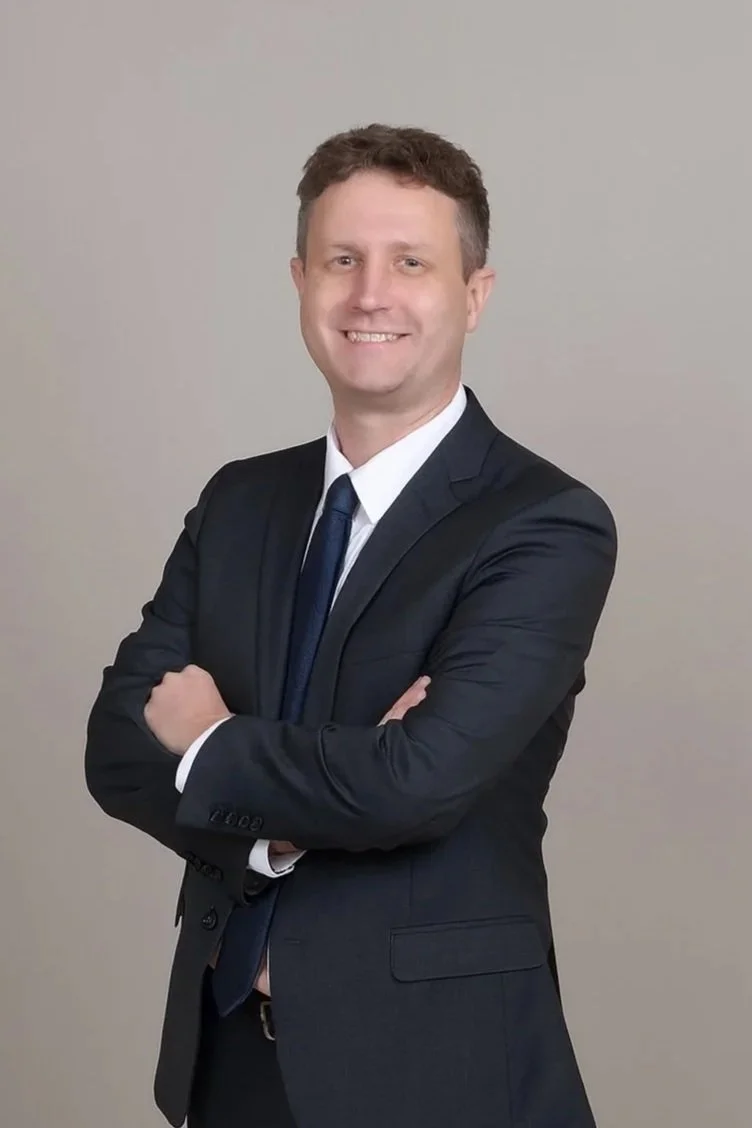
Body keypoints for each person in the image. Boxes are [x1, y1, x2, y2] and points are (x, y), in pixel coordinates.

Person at [85, 122, 618, 1128]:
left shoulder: (542, 523)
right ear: (300, 280)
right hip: (230, 1053)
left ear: (473, 293)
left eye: (409, 262)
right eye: (341, 260)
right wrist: (292, 814)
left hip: (432, 1070)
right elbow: (115, 748)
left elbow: (415, 783)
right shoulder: (239, 502)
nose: (369, 294)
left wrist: (207, 743)